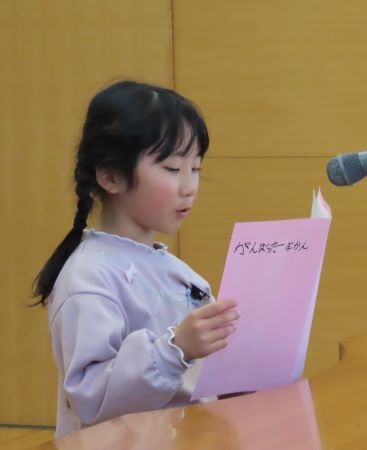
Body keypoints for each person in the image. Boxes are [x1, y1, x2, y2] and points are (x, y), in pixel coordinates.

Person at [32, 80, 239, 438]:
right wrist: (175, 350)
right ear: (111, 176)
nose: (189, 186)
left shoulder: (178, 272)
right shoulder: (88, 277)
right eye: (172, 169)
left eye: (195, 169)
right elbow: (91, 397)